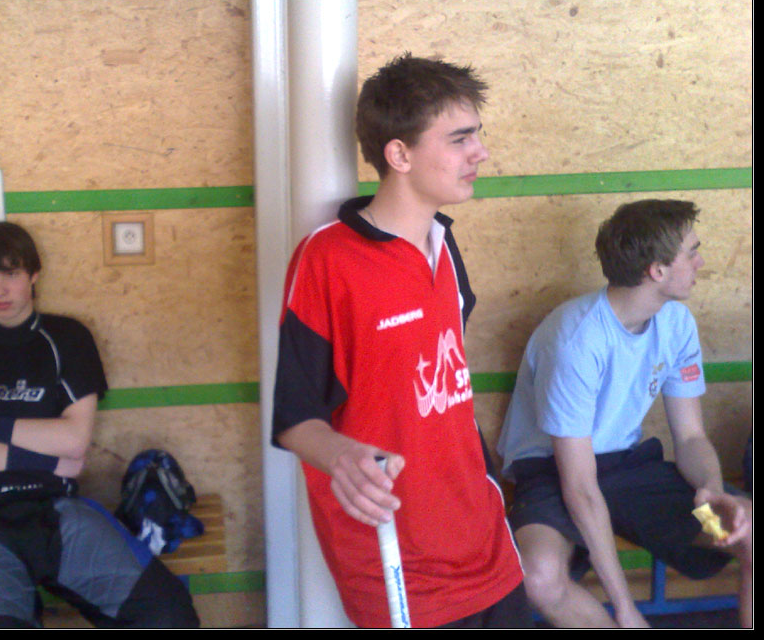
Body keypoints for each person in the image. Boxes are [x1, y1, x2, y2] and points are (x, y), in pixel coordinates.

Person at [272, 54, 528, 628]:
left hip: (486, 538)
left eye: (478, 135)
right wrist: (340, 455)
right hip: (398, 561)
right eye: (460, 139)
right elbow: (294, 416)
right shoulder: (328, 260)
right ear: (399, 155)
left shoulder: (444, 242)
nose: (480, 153)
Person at [0, 220, 199, 628]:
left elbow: (73, 440)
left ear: (34, 274)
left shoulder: (67, 338)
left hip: (55, 510)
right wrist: (47, 460)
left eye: (11, 274)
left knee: (167, 615)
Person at [497, 199, 753, 628]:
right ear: (657, 270)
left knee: (750, 531)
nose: (700, 262)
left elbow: (690, 438)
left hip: (627, 470)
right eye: (691, 252)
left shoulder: (677, 323)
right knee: (539, 577)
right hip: (551, 473)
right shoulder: (577, 340)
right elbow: (580, 487)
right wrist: (625, 608)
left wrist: (710, 491)